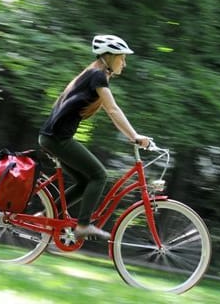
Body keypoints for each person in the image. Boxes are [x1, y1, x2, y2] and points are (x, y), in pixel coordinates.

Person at [38, 34, 150, 240]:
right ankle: (83, 225)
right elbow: (113, 110)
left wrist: (130, 135)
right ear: (108, 57)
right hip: (58, 139)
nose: (124, 63)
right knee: (99, 175)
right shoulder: (97, 76)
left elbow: (112, 113)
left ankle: (46, 215)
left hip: (52, 137)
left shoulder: (93, 74)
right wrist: (134, 135)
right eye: (121, 58)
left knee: (85, 181)